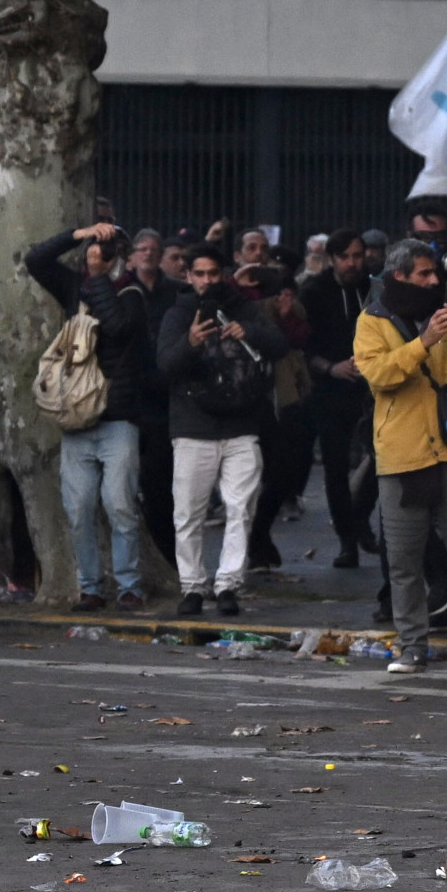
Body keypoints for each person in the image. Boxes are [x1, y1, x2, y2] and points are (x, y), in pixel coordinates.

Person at [355, 239, 447, 674]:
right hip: (403, 454)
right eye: (424, 274)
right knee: (404, 559)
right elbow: (379, 375)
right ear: (399, 274)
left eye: (435, 273)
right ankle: (412, 646)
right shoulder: (372, 319)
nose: (434, 280)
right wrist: (424, 341)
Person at [22, 220, 151, 613]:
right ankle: (90, 586)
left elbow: (116, 325)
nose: (100, 256)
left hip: (118, 419)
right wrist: (76, 235)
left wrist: (97, 277)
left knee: (121, 506)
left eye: (108, 251)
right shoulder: (74, 287)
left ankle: (130, 585)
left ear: (121, 257)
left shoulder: (132, 293)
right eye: (96, 250)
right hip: (77, 417)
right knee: (78, 510)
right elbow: (35, 260)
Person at [157, 246, 286, 618]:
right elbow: (164, 366)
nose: (207, 281)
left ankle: (228, 584)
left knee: (240, 507)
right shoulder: (178, 314)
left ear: (224, 274)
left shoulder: (245, 308)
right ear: (188, 276)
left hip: (241, 425)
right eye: (200, 274)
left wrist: (252, 332)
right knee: (188, 513)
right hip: (193, 427)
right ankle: (193, 586)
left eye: (214, 273)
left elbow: (280, 345)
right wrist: (191, 342)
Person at [301, 229, 379, 568]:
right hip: (330, 388)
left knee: (382, 457)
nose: (352, 263)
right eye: (345, 256)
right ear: (332, 259)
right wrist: (331, 367)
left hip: (373, 385)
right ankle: (347, 540)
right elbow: (304, 345)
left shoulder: (374, 289)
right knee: (335, 466)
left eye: (357, 256)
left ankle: (360, 515)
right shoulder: (315, 291)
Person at [246, 268, 314, 569]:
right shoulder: (237, 298)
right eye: (251, 248)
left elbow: (298, 339)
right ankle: (253, 540)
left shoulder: (290, 305)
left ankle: (259, 532)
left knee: (282, 472)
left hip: (283, 395)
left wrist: (286, 315)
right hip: (247, 397)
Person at [123, 228, 180, 564]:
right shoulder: (123, 289)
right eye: (141, 248)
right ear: (132, 255)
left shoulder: (174, 292)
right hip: (130, 392)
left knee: (160, 483)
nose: (147, 254)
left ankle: (165, 553)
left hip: (163, 394)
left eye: (153, 249)